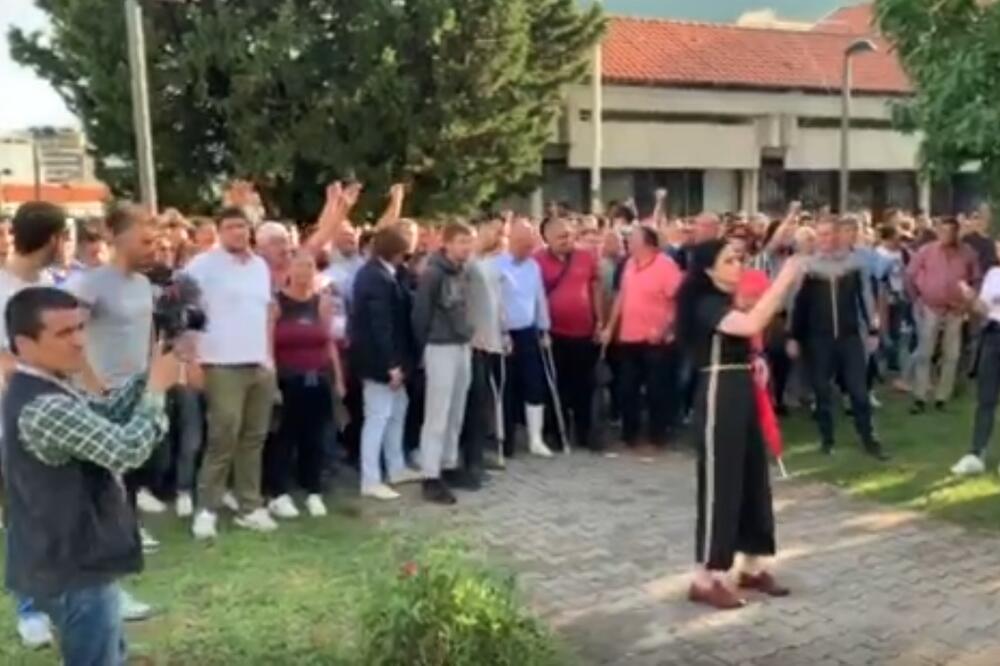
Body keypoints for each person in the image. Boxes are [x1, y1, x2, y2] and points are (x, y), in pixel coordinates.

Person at [2, 286, 180, 665]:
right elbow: (125, 450)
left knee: (108, 653)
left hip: (66, 560)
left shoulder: (48, 386)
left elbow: (104, 414)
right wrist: (155, 393)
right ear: (24, 343)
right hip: (72, 568)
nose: (81, 342)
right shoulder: (44, 405)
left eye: (81, 328)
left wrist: (150, 370)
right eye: (65, 333)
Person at [676, 240, 802, 610]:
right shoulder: (705, 303)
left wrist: (756, 360)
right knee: (721, 482)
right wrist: (785, 279)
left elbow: (747, 338)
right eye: (728, 260)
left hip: (742, 388)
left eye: (739, 259)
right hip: (718, 393)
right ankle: (706, 576)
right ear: (708, 269)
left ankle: (751, 563)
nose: (737, 266)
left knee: (752, 477)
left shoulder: (725, 301)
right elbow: (750, 324)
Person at [66, 204, 164, 549]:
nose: (153, 249)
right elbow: (69, 335)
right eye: (146, 241)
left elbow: (149, 332)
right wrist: (93, 382)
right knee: (103, 469)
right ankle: (102, 533)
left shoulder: (143, 284)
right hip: (101, 391)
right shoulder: (91, 284)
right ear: (120, 239)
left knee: (136, 465)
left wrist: (153, 374)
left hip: (137, 387)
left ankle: (128, 526)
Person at [0, 201, 71, 649]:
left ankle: (71, 597)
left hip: (56, 418)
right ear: (54, 239)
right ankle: (30, 611)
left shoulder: (47, 285)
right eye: (67, 237)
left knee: (62, 513)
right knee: (24, 517)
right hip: (15, 421)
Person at [185, 207, 279, 540]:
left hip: (258, 363)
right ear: (220, 230)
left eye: (243, 226)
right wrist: (191, 359)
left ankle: (249, 507)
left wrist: (269, 358)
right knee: (223, 436)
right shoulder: (202, 265)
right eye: (231, 227)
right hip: (221, 363)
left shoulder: (259, 266)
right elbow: (186, 313)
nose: (238, 232)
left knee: (253, 439)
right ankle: (206, 508)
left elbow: (266, 313)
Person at [787, 218, 888, 460]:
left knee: (859, 392)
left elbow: (866, 298)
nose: (827, 239)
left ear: (838, 236)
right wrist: (792, 336)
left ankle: (869, 439)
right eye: (821, 235)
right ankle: (827, 440)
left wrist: (873, 331)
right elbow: (797, 305)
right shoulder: (808, 268)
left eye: (830, 234)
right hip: (819, 339)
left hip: (850, 337)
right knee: (822, 392)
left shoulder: (854, 264)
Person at [263, 249, 345, 518]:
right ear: (289, 270)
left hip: (317, 376)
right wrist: (271, 380)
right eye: (299, 266)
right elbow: (268, 345)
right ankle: (279, 492)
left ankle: (313, 491)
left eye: (309, 267)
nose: (304, 272)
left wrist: (339, 379)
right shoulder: (276, 304)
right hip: (287, 378)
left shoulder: (322, 302)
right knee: (284, 437)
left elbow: (329, 342)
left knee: (315, 437)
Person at [351, 227, 422, 501]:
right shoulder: (375, 277)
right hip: (378, 362)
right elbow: (379, 327)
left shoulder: (387, 274)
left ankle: (396, 467)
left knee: (398, 410)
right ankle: (370, 479)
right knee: (377, 417)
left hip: (393, 359)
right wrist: (391, 365)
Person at [601, 226, 683, 450]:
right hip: (630, 337)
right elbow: (621, 297)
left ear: (647, 243)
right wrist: (610, 326)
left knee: (657, 389)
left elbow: (678, 301)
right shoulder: (628, 264)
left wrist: (666, 329)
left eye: (633, 239)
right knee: (627, 388)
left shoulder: (666, 266)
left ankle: (658, 435)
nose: (628, 242)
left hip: (656, 341)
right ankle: (630, 434)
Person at [412, 223, 476, 505]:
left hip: (461, 343)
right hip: (440, 346)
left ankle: (449, 462)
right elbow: (421, 314)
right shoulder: (433, 273)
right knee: (437, 413)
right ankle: (430, 473)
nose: (466, 248)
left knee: (457, 409)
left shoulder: (461, 271)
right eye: (461, 242)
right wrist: (422, 349)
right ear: (447, 243)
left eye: (469, 242)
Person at [536, 217, 604, 451]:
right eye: (561, 237)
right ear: (547, 239)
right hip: (554, 333)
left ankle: (585, 433)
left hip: (583, 331)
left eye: (569, 235)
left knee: (584, 385)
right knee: (557, 386)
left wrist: (600, 321)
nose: (567, 240)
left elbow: (595, 288)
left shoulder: (586, 256)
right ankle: (557, 432)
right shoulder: (538, 260)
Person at [906, 217, 980, 413]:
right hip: (931, 307)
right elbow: (910, 275)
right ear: (939, 232)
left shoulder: (968, 253)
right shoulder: (926, 251)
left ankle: (942, 397)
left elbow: (976, 280)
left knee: (951, 354)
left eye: (951, 231)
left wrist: (967, 304)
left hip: (956, 309)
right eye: (944, 231)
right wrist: (917, 300)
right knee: (925, 352)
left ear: (957, 233)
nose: (947, 235)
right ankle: (920, 396)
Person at [496, 220, 554, 459]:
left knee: (534, 384)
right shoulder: (496, 265)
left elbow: (539, 297)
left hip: (529, 331)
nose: (527, 248)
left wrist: (544, 328)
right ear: (512, 240)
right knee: (506, 388)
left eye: (530, 244)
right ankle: (506, 441)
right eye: (522, 243)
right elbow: (495, 302)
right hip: (504, 334)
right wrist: (500, 332)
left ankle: (535, 439)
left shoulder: (533, 266)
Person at [461, 216, 508, 475]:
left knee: (486, 400)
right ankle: (471, 459)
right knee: (474, 401)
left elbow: (497, 300)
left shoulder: (491, 263)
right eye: (494, 231)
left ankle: (480, 452)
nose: (498, 236)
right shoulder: (469, 262)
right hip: (473, 341)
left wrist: (504, 331)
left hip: (491, 340)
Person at [952, 241, 1000, 476]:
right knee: (985, 398)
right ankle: (976, 453)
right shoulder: (993, 274)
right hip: (992, 336)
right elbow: (984, 308)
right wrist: (971, 298)